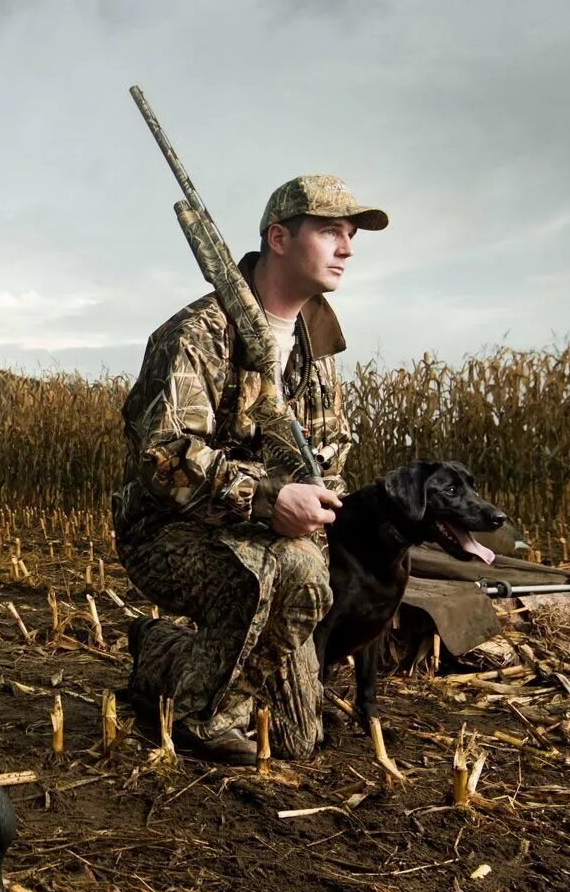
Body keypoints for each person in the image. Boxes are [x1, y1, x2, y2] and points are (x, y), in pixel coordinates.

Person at [111, 174, 387, 763]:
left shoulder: (318, 351)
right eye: (331, 231)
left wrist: (318, 505)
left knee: (297, 741)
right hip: (167, 529)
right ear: (279, 239)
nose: (348, 248)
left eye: (352, 234)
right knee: (275, 575)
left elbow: (330, 452)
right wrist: (268, 501)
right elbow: (165, 457)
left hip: (270, 536)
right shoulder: (197, 333)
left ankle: (161, 652)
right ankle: (198, 717)